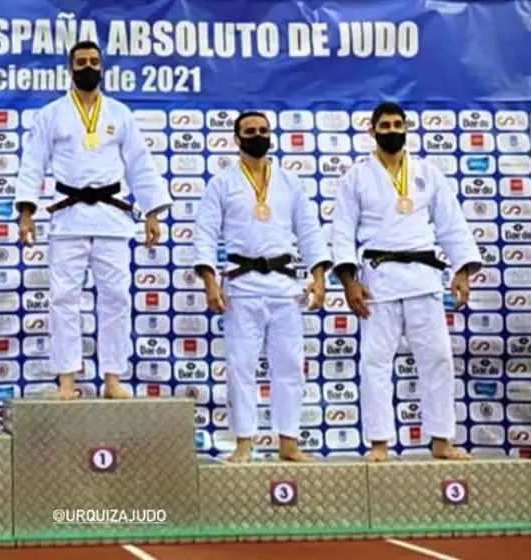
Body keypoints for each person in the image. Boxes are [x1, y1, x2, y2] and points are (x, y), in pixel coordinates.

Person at [14, 40, 173, 400]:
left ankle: (113, 377)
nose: (88, 66)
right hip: (68, 216)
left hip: (111, 217)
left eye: (94, 61)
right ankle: (67, 379)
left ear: (102, 67)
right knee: (64, 298)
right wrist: (26, 213)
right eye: (81, 61)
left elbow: (140, 164)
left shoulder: (120, 113)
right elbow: (32, 164)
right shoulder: (52, 113)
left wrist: (151, 211)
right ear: (70, 68)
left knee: (116, 297)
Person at [330, 101, 481, 462]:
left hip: (424, 279)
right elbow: (342, 231)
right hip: (378, 281)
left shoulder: (428, 173)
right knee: (375, 362)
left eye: (398, 124)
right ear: (372, 130)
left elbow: (451, 225)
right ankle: (379, 443)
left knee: (438, 359)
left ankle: (442, 440)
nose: (392, 130)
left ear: (406, 128)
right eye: (385, 125)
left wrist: (462, 269)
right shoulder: (356, 176)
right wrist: (349, 281)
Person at [192, 111, 331, 462]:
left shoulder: (289, 181)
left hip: (285, 286)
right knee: (241, 366)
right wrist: (210, 282)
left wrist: (319, 275)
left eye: (263, 131)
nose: (258, 136)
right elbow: (205, 234)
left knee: (289, 365)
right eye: (250, 132)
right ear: (237, 140)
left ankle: (289, 441)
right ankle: (243, 442)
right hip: (242, 285)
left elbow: (309, 230)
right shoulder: (222, 183)